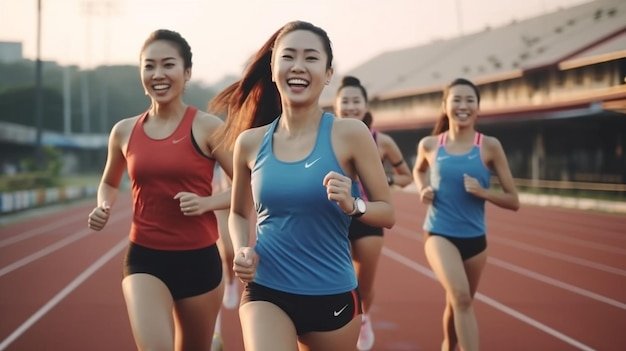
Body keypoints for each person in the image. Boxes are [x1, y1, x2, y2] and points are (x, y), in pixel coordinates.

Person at [208, 20, 395, 351]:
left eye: (311, 58)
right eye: (289, 56)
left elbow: (387, 212)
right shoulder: (250, 143)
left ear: (328, 74)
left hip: (332, 297)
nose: (298, 66)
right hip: (267, 289)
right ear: (273, 66)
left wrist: (354, 205)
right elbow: (238, 213)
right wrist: (241, 248)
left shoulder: (350, 134)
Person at [87, 29, 233, 351]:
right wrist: (104, 205)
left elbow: (247, 187)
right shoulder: (123, 131)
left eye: (168, 65)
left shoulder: (207, 126)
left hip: (200, 261)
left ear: (187, 72)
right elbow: (110, 182)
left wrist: (208, 203)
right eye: (149, 66)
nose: (158, 74)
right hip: (145, 259)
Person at [413, 78, 519, 351]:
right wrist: (423, 188)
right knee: (460, 296)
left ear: (478, 108)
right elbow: (419, 169)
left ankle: (448, 345)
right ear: (445, 105)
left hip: (475, 240)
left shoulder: (489, 146)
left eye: (469, 100)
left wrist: (485, 193)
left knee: (459, 301)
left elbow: (513, 200)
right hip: (439, 233)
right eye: (456, 99)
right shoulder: (430, 144)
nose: (463, 106)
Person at [334, 76, 412, 350]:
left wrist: (387, 181)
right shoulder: (326, 136)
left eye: (356, 101)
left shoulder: (383, 141)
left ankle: (363, 318)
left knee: (364, 285)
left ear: (365, 106)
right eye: (346, 101)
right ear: (336, 105)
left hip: (369, 215)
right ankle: (341, 326)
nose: (351, 106)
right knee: (337, 282)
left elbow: (406, 176)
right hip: (334, 219)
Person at [211, 164, 240, 351]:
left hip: (232, 184)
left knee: (230, 253)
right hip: (213, 190)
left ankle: (230, 279)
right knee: (223, 251)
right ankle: (214, 334)